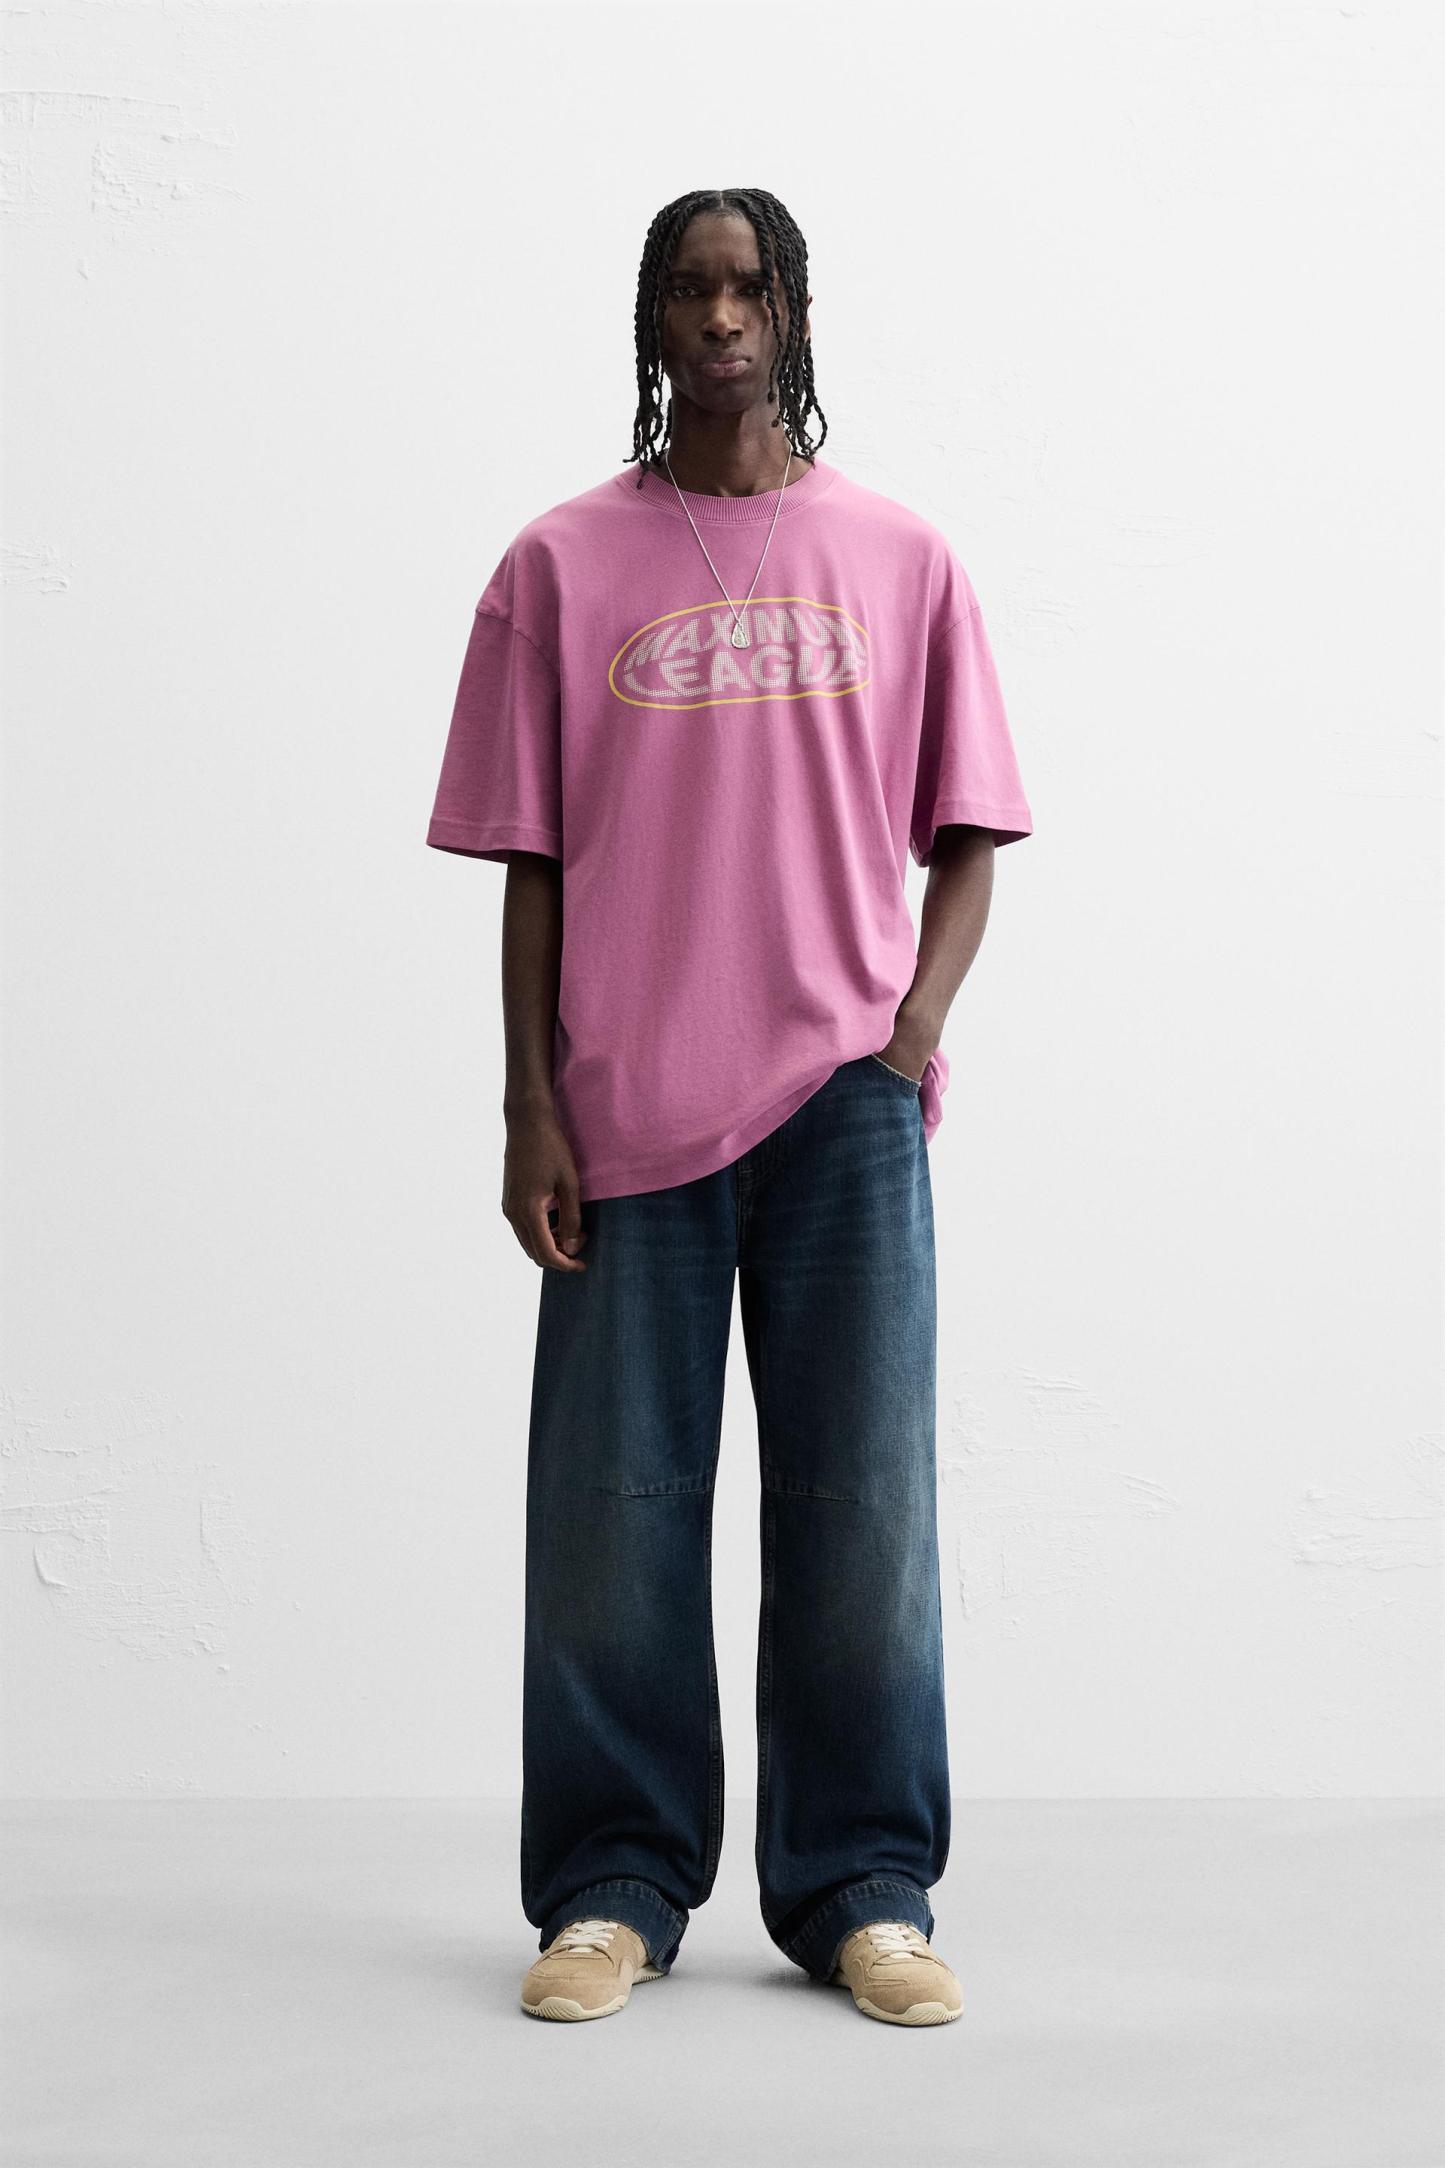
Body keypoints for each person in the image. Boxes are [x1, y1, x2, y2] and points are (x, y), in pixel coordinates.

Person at [426, 187, 1034, 2027]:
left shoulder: (901, 556)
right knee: (609, 1513)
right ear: (651, 318)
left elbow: (970, 832)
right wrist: (529, 1105)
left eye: (748, 286)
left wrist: (908, 1035)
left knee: (862, 1507)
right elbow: (529, 859)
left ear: (793, 313)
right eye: (688, 289)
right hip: (626, 1113)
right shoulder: (557, 565)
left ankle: (863, 1890)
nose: (718, 316)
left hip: (844, 1111)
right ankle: (610, 1888)